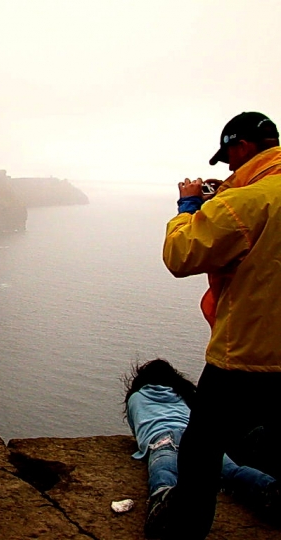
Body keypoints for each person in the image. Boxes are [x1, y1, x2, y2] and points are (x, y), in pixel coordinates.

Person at [161, 111, 281, 539]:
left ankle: (184, 532)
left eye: (228, 159)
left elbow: (181, 254)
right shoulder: (246, 195)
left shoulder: (249, 200)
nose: (229, 168)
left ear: (242, 147)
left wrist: (191, 205)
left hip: (246, 353)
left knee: (201, 450)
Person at [124, 359, 280, 538]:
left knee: (164, 470)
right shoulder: (182, 393)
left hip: (163, 438)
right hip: (195, 437)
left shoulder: (136, 398)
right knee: (230, 470)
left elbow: (137, 430)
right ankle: (268, 488)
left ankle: (163, 500)